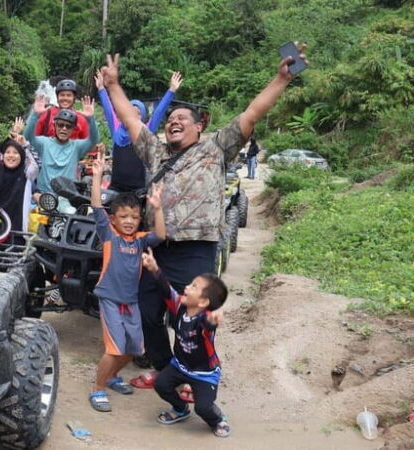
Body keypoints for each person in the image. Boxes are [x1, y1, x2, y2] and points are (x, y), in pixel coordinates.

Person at [98, 45, 309, 389]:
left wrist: (281, 79)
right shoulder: (154, 151)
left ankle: (192, 372)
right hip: (158, 247)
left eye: (183, 119)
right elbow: (130, 119)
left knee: (192, 318)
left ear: (200, 127)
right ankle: (167, 370)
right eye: (170, 119)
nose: (174, 122)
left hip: (197, 249)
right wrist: (113, 86)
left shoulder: (217, 147)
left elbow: (252, 113)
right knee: (148, 312)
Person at [87, 149, 165, 413]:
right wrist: (97, 177)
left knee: (133, 348)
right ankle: (98, 388)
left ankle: (110, 377)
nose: (129, 221)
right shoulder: (109, 235)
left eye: (134, 217)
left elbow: (161, 236)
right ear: (113, 219)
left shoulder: (141, 239)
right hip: (110, 298)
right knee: (114, 348)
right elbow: (97, 206)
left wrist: (158, 207)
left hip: (131, 302)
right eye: (123, 217)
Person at [141, 248, 230, 437]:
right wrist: (154, 268)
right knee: (161, 385)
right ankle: (180, 408)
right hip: (180, 366)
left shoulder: (204, 321)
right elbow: (167, 289)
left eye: (193, 287)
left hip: (204, 374)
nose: (187, 287)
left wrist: (213, 320)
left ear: (204, 302)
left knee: (203, 408)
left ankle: (217, 419)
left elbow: (208, 325)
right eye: (190, 284)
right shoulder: (180, 306)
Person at [95, 70, 183, 193]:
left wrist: (172, 90)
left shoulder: (145, 131)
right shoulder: (116, 129)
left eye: (138, 113)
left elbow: (159, 112)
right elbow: (108, 109)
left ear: (142, 118)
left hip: (137, 188)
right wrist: (101, 88)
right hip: (115, 187)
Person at [24, 95, 99, 207]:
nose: (64, 129)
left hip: (66, 198)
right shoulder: (44, 143)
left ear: (73, 130)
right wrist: (35, 114)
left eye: (68, 126)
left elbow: (94, 140)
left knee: (71, 214)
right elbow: (28, 136)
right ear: (54, 126)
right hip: (42, 196)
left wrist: (90, 119)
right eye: (60, 125)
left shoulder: (76, 146)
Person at [0, 135, 39, 233]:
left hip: (18, 229)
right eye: (7, 152)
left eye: (15, 153)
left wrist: (25, 145)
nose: (11, 155)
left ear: (22, 156)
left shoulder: (27, 173)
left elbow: (36, 164)